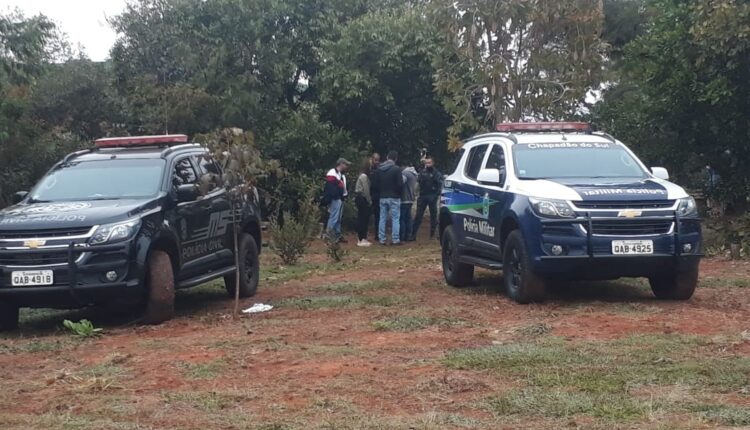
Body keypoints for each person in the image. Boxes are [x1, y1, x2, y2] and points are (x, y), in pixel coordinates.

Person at [371, 150, 403, 245]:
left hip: (383, 197)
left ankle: (382, 239)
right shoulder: (396, 169)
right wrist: (398, 193)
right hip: (394, 197)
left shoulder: (379, 169)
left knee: (382, 218)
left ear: (387, 157)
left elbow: (375, 184)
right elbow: (400, 184)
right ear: (396, 159)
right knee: (395, 218)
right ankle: (395, 239)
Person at [411, 156, 442, 240]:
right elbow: (417, 184)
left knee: (434, 216)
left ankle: (432, 235)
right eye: (426, 163)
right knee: (418, 216)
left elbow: (440, 185)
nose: (428, 165)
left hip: (432, 196)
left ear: (433, 163)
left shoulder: (437, 173)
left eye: (429, 163)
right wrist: (415, 194)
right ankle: (413, 235)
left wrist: (437, 195)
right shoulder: (422, 172)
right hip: (423, 196)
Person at [323, 158, 350, 242]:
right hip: (335, 199)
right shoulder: (332, 173)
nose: (346, 166)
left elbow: (342, 187)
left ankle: (337, 235)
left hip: (340, 198)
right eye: (345, 164)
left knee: (338, 218)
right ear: (341, 164)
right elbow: (331, 188)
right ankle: (329, 235)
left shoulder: (340, 174)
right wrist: (335, 197)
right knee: (334, 217)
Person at [354, 159, 373, 247]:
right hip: (362, 198)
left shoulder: (362, 175)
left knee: (362, 218)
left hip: (360, 198)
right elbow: (366, 190)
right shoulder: (364, 176)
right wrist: (369, 201)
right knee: (363, 219)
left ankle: (362, 238)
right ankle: (361, 238)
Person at [400, 162, 418, 242]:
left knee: (402, 218)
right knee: (408, 218)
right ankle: (408, 235)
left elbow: (400, 183)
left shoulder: (405, 174)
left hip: (404, 198)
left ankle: (402, 236)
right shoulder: (413, 174)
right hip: (410, 198)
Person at [369, 152, 381, 237]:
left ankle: (377, 233)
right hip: (370, 194)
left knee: (378, 215)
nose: (377, 162)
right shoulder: (368, 169)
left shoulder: (379, 170)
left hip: (377, 195)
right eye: (375, 160)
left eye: (378, 160)